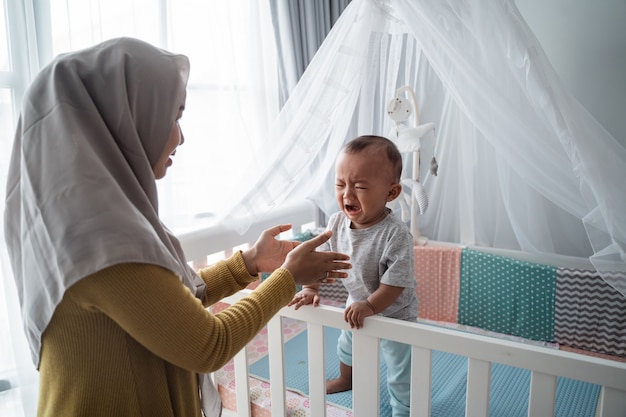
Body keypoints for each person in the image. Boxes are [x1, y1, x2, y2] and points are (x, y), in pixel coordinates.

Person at [3, 37, 351, 417]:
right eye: (174, 117)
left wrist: (248, 263)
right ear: (124, 120)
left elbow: (168, 303)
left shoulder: (94, 217)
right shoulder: (99, 241)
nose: (180, 137)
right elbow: (208, 344)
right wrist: (287, 278)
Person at [289, 135, 418, 417]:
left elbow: (395, 284)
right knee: (346, 346)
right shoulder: (336, 223)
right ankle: (348, 379)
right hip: (357, 302)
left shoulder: (396, 235)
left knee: (400, 368)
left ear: (391, 192)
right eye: (340, 184)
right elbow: (318, 259)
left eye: (360, 187)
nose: (347, 194)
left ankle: (405, 408)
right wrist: (311, 288)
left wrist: (371, 306)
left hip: (395, 313)